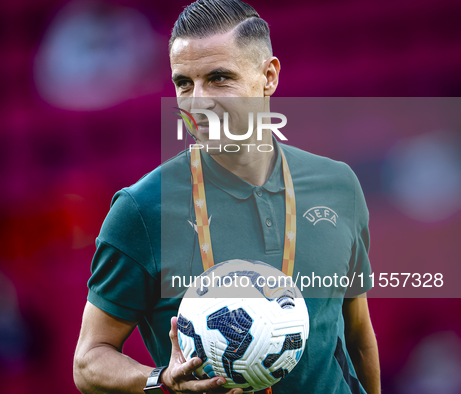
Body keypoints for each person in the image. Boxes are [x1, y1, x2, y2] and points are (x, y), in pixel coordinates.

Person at [73, 0, 380, 393]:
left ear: (268, 77)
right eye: (184, 83)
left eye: (219, 78)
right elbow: (89, 359)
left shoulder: (338, 185)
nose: (197, 102)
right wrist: (161, 380)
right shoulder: (142, 209)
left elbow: (356, 333)